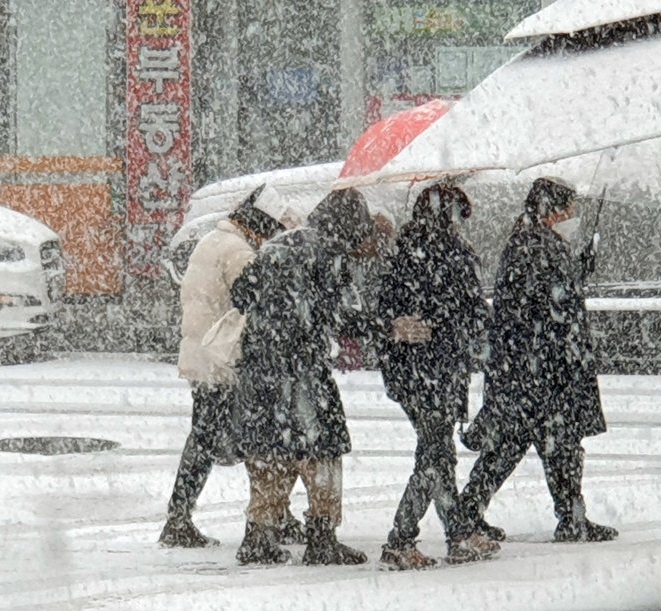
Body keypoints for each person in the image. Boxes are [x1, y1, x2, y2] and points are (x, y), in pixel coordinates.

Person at [458, 176, 618, 544]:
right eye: (568, 210)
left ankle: (470, 509)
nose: (572, 217)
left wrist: (576, 269)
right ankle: (569, 518)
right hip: (542, 367)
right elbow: (549, 305)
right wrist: (571, 280)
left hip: (527, 368)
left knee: (518, 443)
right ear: (552, 211)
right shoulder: (536, 246)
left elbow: (543, 297)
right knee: (556, 443)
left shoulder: (531, 243)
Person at [230, 187, 379, 565]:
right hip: (303, 371)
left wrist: (273, 316)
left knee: (271, 450)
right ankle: (322, 537)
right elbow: (345, 317)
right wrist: (385, 326)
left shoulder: (276, 246)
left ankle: (259, 535)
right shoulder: (329, 255)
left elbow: (240, 294)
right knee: (324, 450)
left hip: (261, 368)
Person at [158, 185, 303, 548]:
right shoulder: (238, 251)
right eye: (270, 231)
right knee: (259, 440)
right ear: (259, 226)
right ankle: (268, 517)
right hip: (223, 361)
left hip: (202, 356)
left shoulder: (212, 240)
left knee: (207, 436)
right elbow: (255, 299)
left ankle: (182, 516)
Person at [376, 184, 499, 570]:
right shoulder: (454, 255)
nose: (465, 225)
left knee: (438, 453)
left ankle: (459, 533)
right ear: (450, 216)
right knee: (434, 457)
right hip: (437, 371)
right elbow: (471, 314)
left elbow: (384, 310)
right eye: (462, 216)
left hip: (407, 372)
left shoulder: (401, 252)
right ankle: (400, 540)